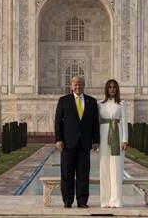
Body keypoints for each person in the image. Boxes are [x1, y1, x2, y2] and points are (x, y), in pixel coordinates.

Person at [54, 76, 100, 208]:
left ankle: (82, 201)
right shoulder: (64, 100)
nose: (78, 87)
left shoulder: (91, 101)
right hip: (68, 143)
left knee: (83, 174)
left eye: (80, 84)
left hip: (85, 144)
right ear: (71, 86)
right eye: (75, 85)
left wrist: (96, 140)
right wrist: (58, 139)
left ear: (84, 85)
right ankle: (67, 201)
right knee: (67, 174)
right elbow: (57, 122)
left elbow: (95, 123)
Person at [98, 79, 128, 208]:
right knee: (104, 169)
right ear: (106, 89)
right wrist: (96, 141)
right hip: (103, 136)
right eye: (110, 87)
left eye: (114, 87)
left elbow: (124, 122)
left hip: (117, 135)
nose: (112, 89)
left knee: (116, 169)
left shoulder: (121, 104)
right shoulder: (100, 104)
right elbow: (97, 123)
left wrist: (124, 140)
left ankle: (116, 201)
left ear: (117, 89)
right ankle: (105, 201)